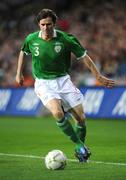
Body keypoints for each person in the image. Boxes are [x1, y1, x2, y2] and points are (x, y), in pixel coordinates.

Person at [16, 8, 115, 162]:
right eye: (42, 24)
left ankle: (80, 150)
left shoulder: (66, 39)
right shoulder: (31, 39)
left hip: (63, 81)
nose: (45, 27)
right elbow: (23, 52)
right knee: (57, 113)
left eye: (48, 24)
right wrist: (19, 73)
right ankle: (80, 146)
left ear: (54, 24)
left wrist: (98, 76)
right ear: (38, 24)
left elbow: (85, 57)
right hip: (43, 83)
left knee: (81, 119)